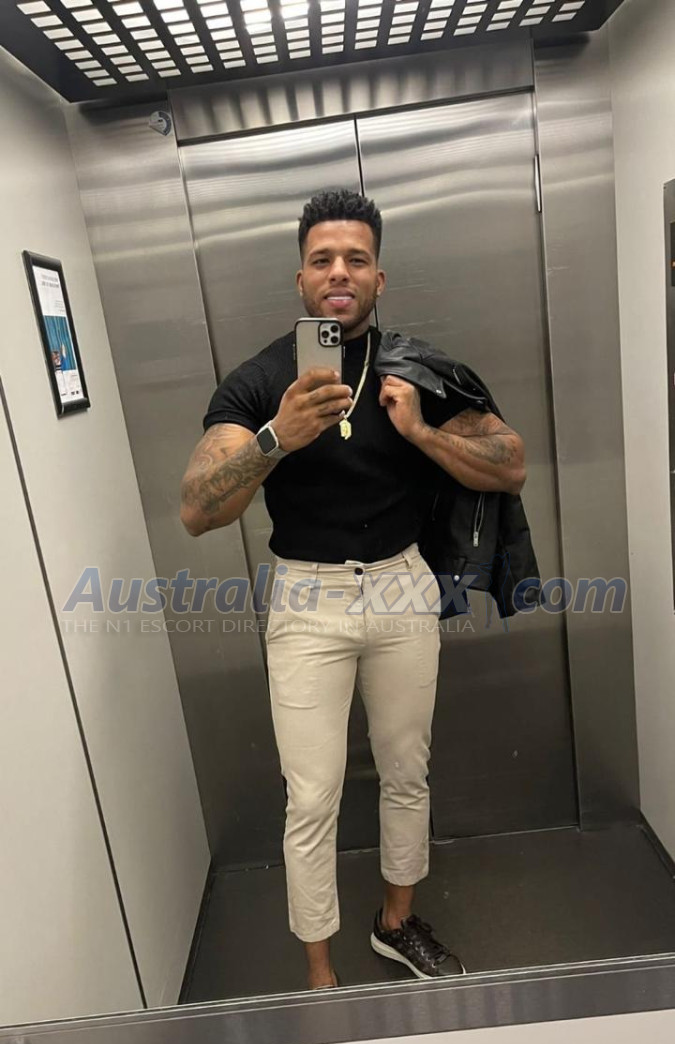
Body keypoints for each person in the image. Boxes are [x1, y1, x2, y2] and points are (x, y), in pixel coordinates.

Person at [180, 188, 526, 990]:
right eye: (322, 259)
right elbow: (197, 509)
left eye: (356, 259)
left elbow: (509, 464)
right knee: (311, 797)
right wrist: (277, 437)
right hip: (307, 598)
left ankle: (395, 925)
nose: (339, 271)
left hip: (401, 586)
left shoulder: (414, 370)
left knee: (406, 770)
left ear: (379, 278)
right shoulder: (260, 380)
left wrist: (421, 431)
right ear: (300, 279)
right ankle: (319, 977)